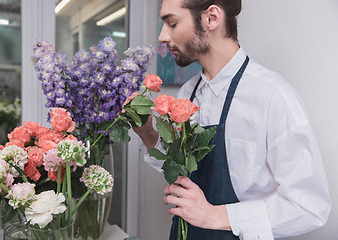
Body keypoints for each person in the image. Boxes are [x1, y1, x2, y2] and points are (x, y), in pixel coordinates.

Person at [133, 0, 331, 239]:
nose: (163, 36)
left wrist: (214, 215)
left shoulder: (271, 96)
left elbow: (310, 207)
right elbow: (180, 168)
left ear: (211, 18)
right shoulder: (188, 93)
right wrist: (146, 132)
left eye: (172, 23)